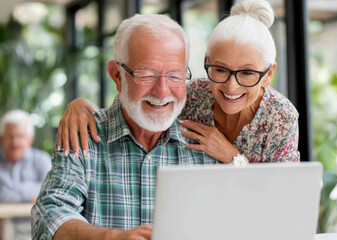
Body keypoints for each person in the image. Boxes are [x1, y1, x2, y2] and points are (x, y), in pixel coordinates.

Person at [31, 13, 216, 240]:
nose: (163, 91)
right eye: (146, 74)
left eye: (175, 76)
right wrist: (112, 237)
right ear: (116, 75)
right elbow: (49, 216)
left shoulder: (205, 145)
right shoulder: (83, 134)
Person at [57, 0, 300, 164]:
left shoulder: (281, 118)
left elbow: (281, 197)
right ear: (207, 62)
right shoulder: (192, 94)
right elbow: (130, 106)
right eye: (220, 69)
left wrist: (232, 157)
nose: (231, 86)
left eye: (247, 73)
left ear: (268, 75)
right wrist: (80, 105)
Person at [0, 109, 51, 240]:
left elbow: (50, 192)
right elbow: (42, 192)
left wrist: (6, 191)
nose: (15, 142)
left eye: (20, 136)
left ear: (30, 139)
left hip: (38, 227)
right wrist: (31, 193)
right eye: (10, 137)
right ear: (1, 138)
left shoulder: (42, 159)